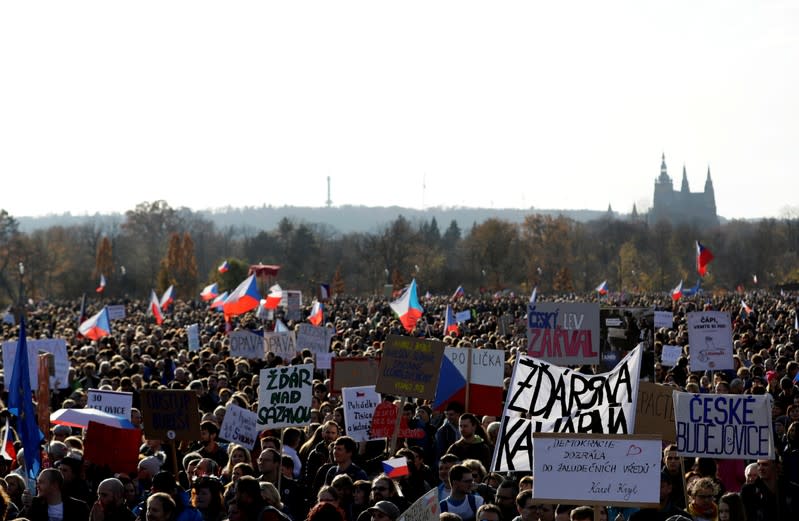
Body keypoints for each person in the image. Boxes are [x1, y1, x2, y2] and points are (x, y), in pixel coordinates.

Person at [22, 467, 90, 521]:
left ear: (54, 485)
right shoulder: (35, 504)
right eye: (37, 482)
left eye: (41, 482)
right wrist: (27, 506)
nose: (37, 486)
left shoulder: (79, 508)